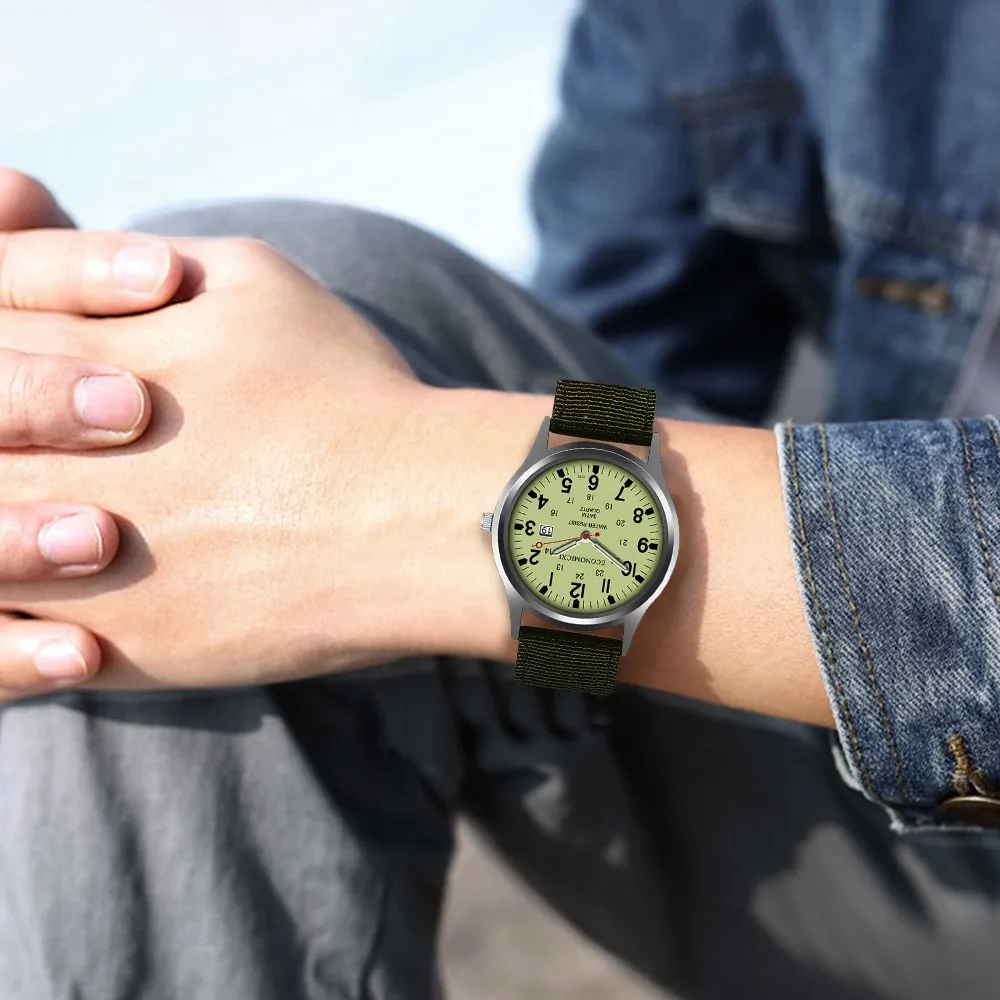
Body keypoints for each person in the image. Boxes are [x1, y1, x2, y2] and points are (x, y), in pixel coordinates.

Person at [2, 5, 1000, 998]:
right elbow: (601, 384)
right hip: (885, 791)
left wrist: (402, 501)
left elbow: (509, 456)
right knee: (155, 402)